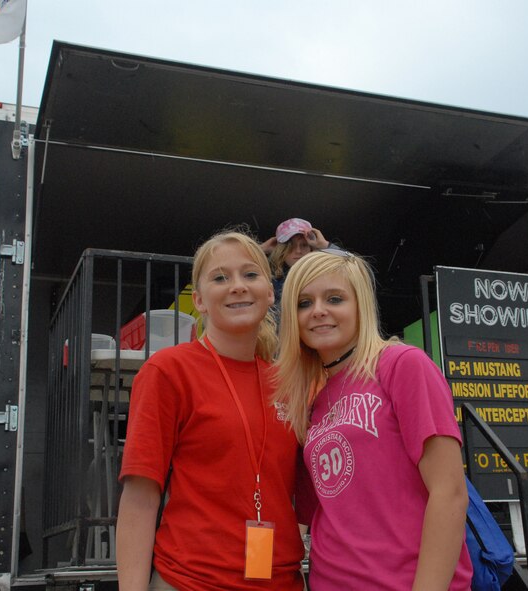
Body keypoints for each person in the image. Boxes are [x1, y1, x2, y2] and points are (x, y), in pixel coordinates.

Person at [116, 230, 304, 591]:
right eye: (220, 278)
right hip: (191, 581)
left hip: (282, 581)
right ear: (199, 300)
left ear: (270, 292)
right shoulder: (168, 371)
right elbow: (140, 498)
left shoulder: (288, 382)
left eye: (250, 274)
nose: (237, 286)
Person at [274, 250, 473, 590]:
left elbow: (450, 492)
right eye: (304, 303)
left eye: (334, 298)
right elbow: (316, 510)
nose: (318, 310)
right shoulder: (314, 402)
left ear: (360, 305)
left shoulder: (401, 364)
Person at [260, 218, 332, 307]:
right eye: (291, 246)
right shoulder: (268, 277)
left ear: (311, 248)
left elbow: (349, 264)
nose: (298, 251)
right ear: (282, 249)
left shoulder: (326, 274)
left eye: (304, 245)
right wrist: (260, 249)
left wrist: (326, 245)